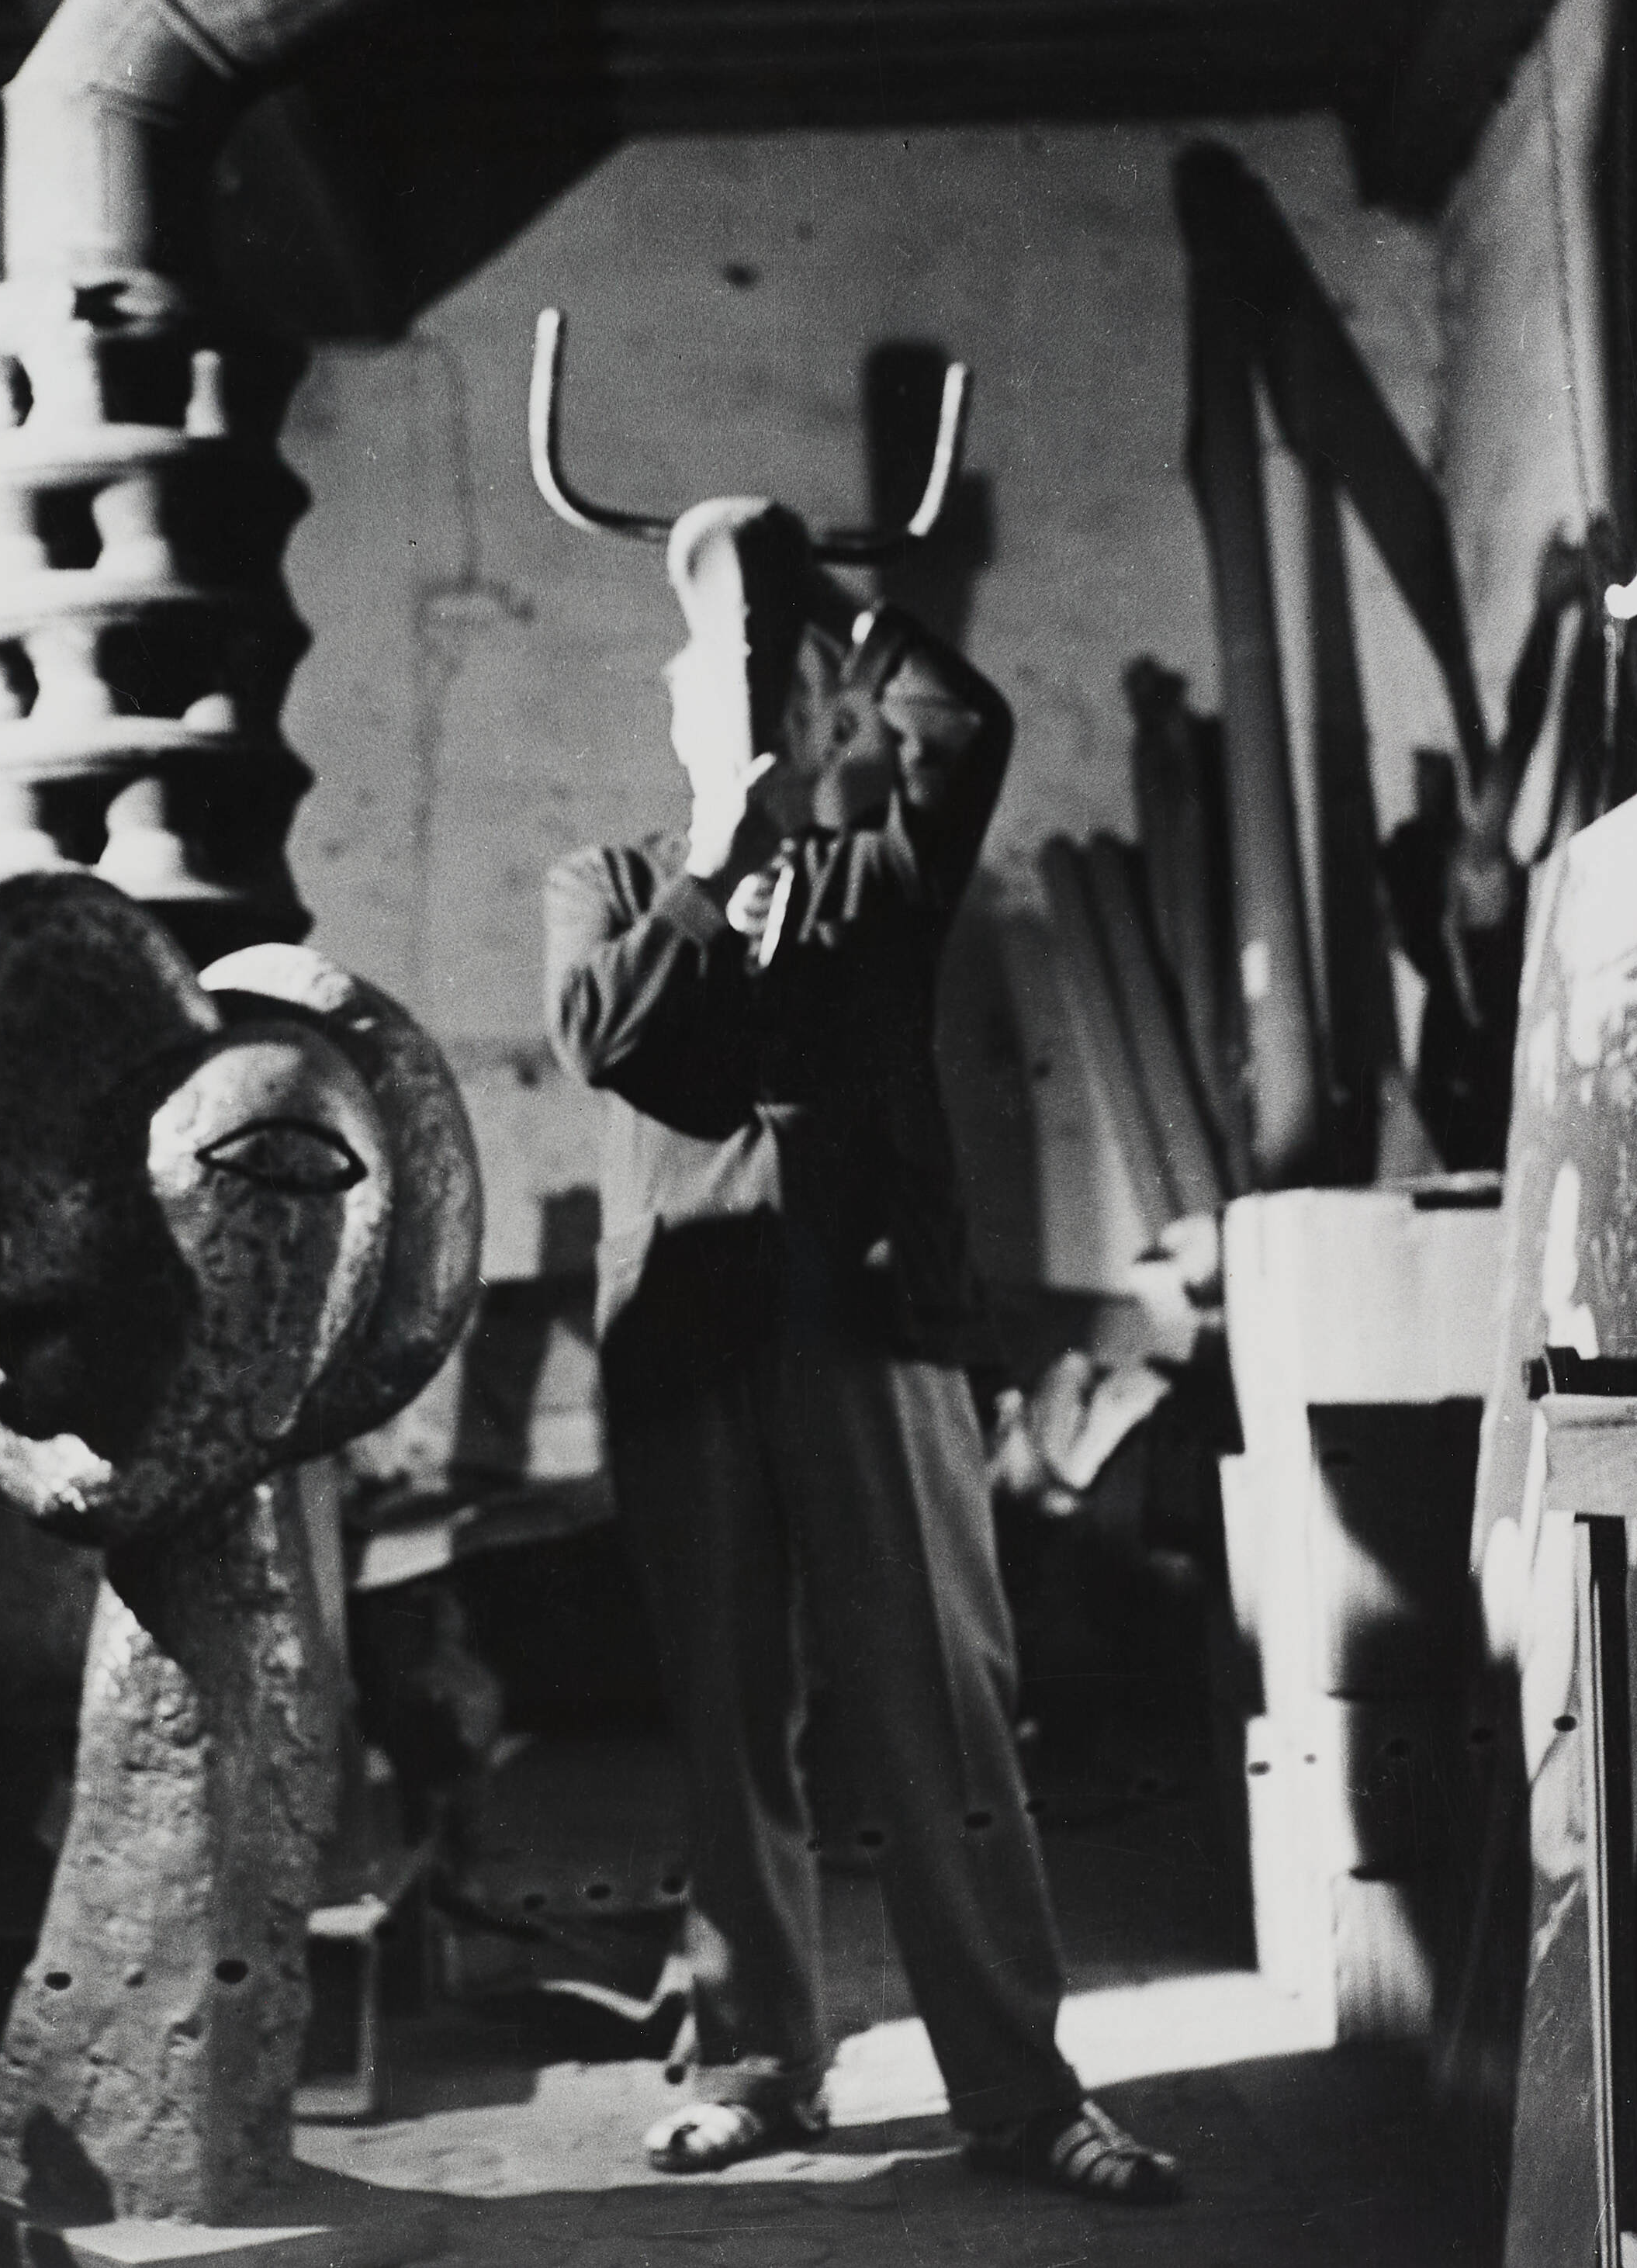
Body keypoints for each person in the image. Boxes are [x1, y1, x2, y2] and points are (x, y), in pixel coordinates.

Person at [543, 497, 1182, 2204]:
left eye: (770, 677)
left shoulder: (879, 882)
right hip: (686, 1348)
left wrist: (804, 600)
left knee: (941, 1713)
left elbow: (963, 722)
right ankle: (762, 2067)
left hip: (872, 1332)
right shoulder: (608, 886)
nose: (738, 695)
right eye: (710, 678)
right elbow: (606, 1034)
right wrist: (711, 846)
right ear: (670, 717)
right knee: (729, 1719)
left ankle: (1024, 2090)